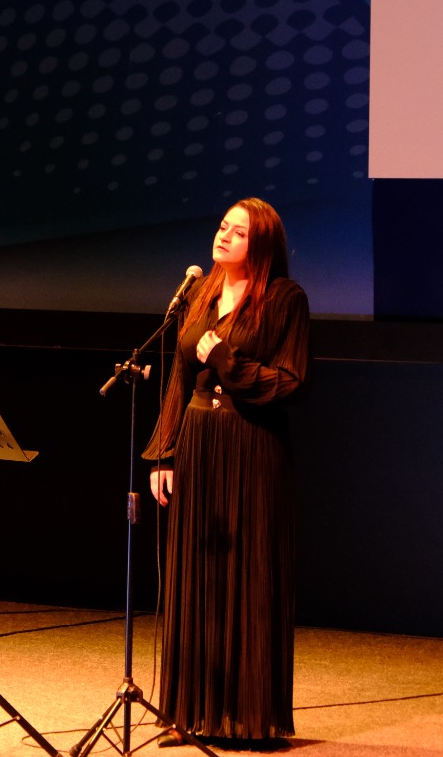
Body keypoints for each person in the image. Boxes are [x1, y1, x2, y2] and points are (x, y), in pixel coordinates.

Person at [143, 197, 310, 750]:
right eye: (222, 226)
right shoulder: (199, 292)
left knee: (249, 577)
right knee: (195, 579)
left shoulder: (285, 299)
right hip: (198, 442)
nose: (224, 236)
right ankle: (187, 713)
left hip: (253, 445)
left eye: (238, 232)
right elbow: (177, 377)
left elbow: (291, 382)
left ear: (260, 245)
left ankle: (249, 719)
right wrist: (164, 453)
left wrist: (226, 361)